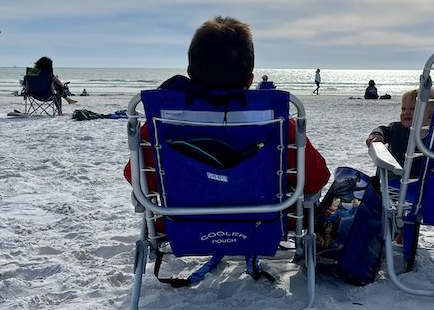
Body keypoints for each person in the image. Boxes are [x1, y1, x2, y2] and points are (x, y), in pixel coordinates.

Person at [124, 16, 330, 195]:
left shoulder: (164, 122)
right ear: (250, 79)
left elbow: (136, 177)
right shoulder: (277, 123)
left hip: (183, 226)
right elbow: (316, 180)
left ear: (190, 72)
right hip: (263, 224)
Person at [365, 88, 434, 168]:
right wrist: (377, 135)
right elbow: (383, 130)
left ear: (430, 115)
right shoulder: (396, 128)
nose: (406, 113)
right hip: (391, 174)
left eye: (413, 109)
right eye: (403, 109)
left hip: (415, 177)